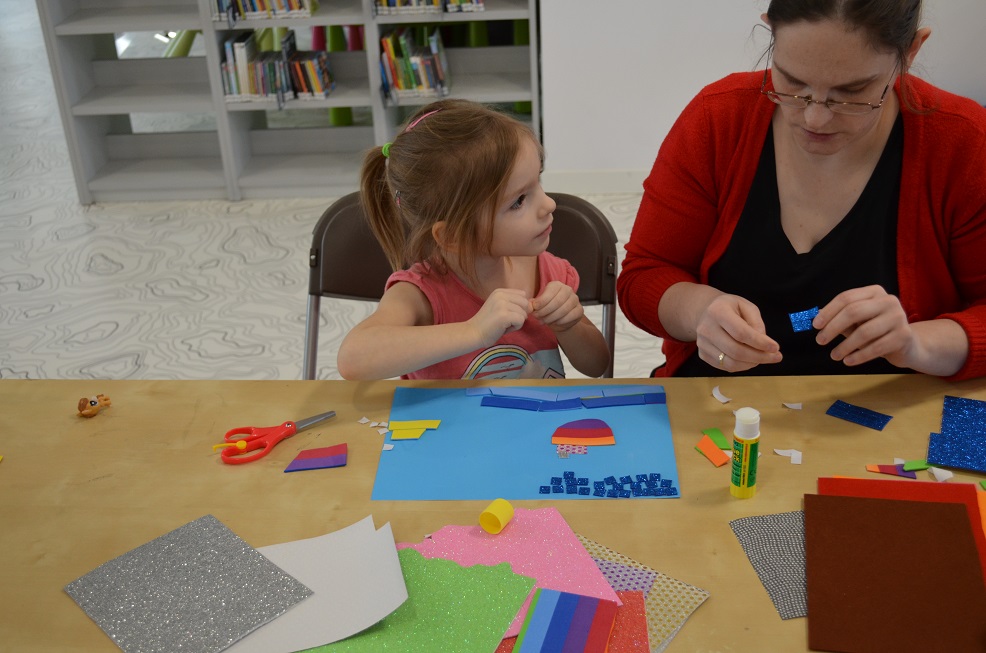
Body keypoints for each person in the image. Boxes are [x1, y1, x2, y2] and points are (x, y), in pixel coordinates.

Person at [617, 0, 986, 380]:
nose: (816, 117)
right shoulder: (719, 119)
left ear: (911, 51)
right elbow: (643, 276)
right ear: (770, 34)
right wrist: (697, 311)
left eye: (852, 92)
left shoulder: (963, 143)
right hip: (717, 403)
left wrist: (916, 343)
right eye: (792, 82)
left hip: (893, 411)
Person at [337, 99, 610, 380]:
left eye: (537, 182)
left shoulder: (549, 272)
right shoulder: (420, 294)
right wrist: (474, 331)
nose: (549, 204)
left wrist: (570, 326)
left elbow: (597, 364)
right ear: (453, 235)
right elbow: (353, 359)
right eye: (518, 201)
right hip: (447, 425)